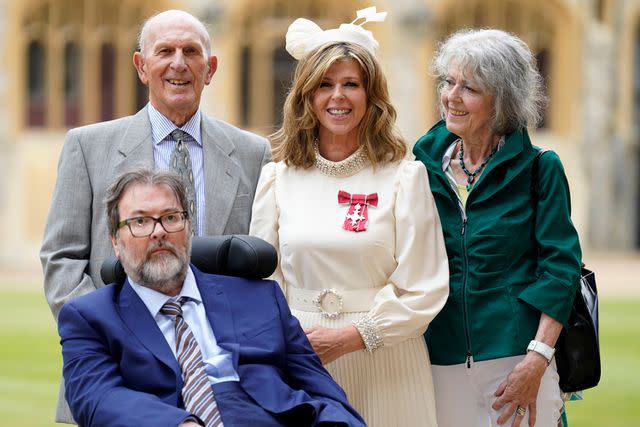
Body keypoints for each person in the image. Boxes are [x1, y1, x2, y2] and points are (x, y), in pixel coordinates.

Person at [40, 10, 270, 423]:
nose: (178, 63)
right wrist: (110, 336)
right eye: (164, 51)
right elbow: (62, 258)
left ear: (211, 68)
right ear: (141, 67)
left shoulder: (253, 154)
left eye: (191, 52)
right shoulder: (88, 147)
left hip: (224, 379)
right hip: (118, 374)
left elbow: (257, 266)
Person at [250, 8, 449, 427]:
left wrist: (353, 337)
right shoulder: (277, 178)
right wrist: (289, 343)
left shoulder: (405, 177)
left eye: (351, 84)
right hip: (302, 360)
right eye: (324, 84)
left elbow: (425, 286)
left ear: (371, 95)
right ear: (307, 95)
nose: (337, 96)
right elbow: (264, 284)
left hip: (388, 361)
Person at [57, 168, 365, 427]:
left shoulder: (259, 296)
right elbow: (96, 398)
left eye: (171, 217)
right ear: (115, 241)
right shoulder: (90, 317)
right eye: (140, 221)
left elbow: (324, 393)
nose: (158, 232)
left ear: (188, 228)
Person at [413, 28, 582, 427]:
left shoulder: (541, 168)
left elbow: (560, 270)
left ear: (501, 100)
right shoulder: (420, 167)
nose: (452, 96)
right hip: (439, 359)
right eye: (448, 82)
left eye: (469, 88)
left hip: (517, 359)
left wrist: (537, 360)